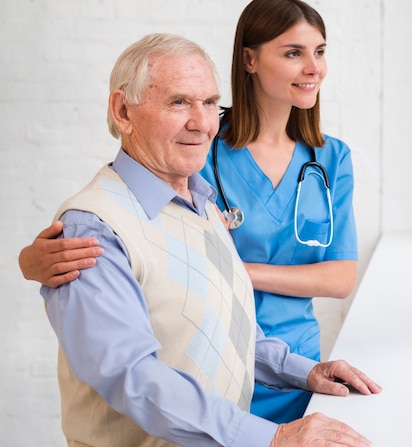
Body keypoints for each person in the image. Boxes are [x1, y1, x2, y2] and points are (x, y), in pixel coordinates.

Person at [30, 32, 380, 447]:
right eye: (179, 102)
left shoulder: (203, 206)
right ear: (123, 111)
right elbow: (132, 378)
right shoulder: (93, 230)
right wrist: (275, 437)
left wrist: (303, 372)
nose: (202, 122)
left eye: (210, 103)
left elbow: (225, 327)